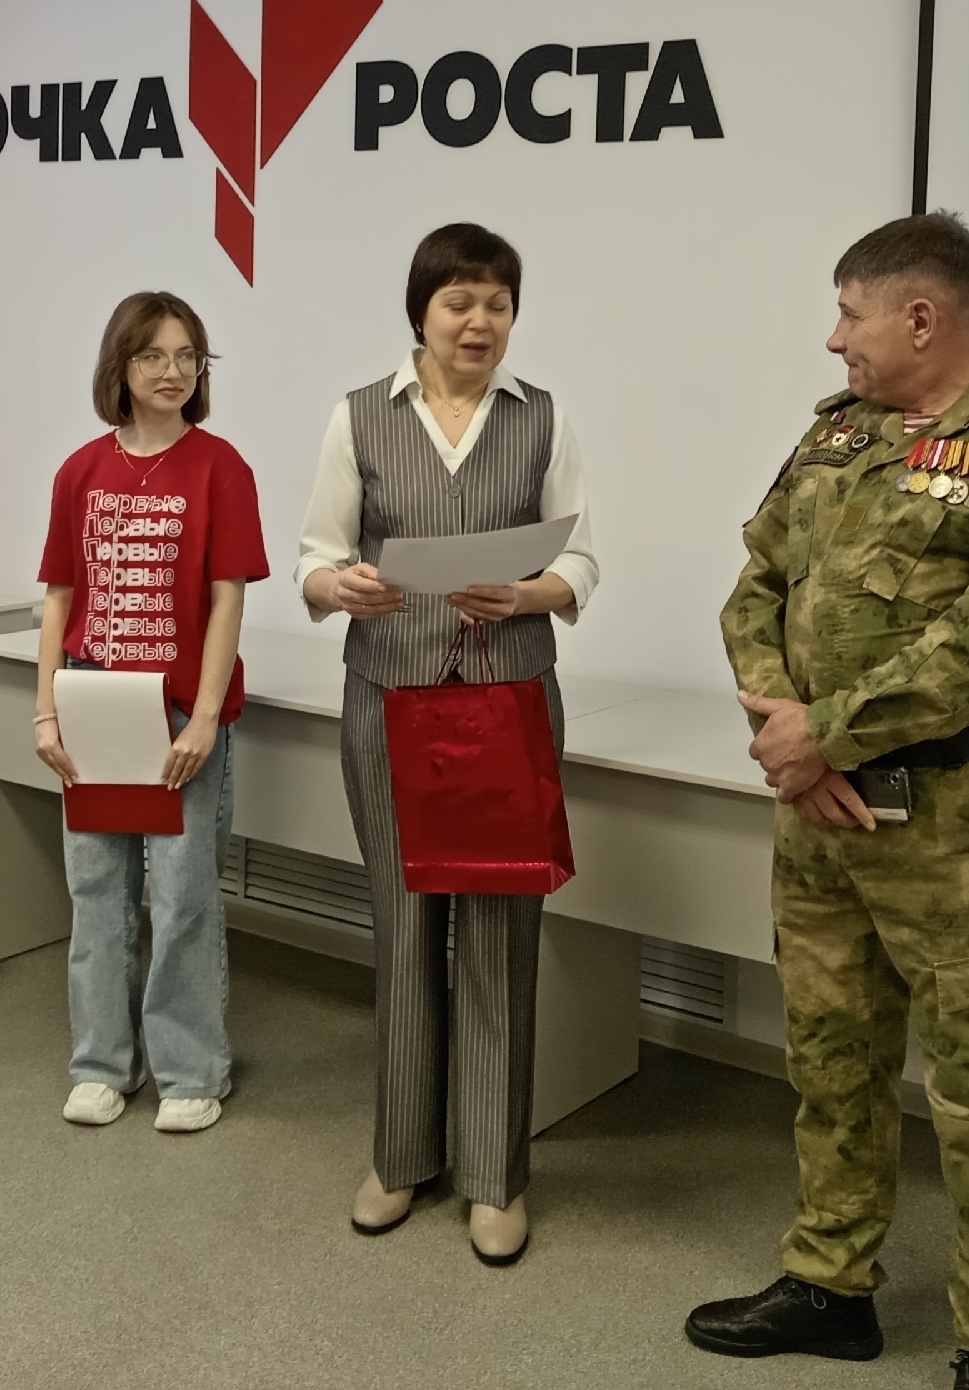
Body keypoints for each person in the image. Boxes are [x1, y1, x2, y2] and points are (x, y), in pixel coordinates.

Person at [685, 214, 969, 1390]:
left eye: (849, 314)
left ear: (920, 318)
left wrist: (822, 734)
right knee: (831, 1062)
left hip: (954, 831)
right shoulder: (838, 433)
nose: (834, 340)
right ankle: (830, 1284)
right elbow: (755, 588)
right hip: (819, 817)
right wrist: (796, 738)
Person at [298, 221, 599, 1266]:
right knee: (404, 926)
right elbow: (315, 557)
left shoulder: (541, 417)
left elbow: (582, 562)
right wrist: (340, 586)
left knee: (501, 937)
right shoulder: (360, 416)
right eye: (459, 303)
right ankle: (399, 1157)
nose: (480, 322)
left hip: (506, 702)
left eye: (497, 305)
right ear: (420, 311)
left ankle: (494, 1176)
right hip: (391, 699)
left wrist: (530, 592)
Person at [33, 292, 268, 1136]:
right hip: (94, 700)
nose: (173, 372)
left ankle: (190, 1069)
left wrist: (204, 719)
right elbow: (61, 597)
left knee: (181, 895)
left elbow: (227, 598)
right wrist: (46, 712)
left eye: (188, 356)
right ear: (120, 368)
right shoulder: (80, 471)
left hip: (176, 712)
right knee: (97, 890)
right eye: (153, 356)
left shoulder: (221, 468)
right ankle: (101, 1064)